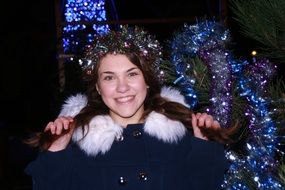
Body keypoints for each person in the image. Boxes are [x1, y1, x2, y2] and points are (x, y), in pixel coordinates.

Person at [25, 26, 234, 190]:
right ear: (98, 87)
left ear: (148, 81)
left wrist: (205, 148)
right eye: (109, 77)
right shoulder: (77, 143)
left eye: (132, 74)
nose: (122, 87)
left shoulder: (181, 137)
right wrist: (55, 152)